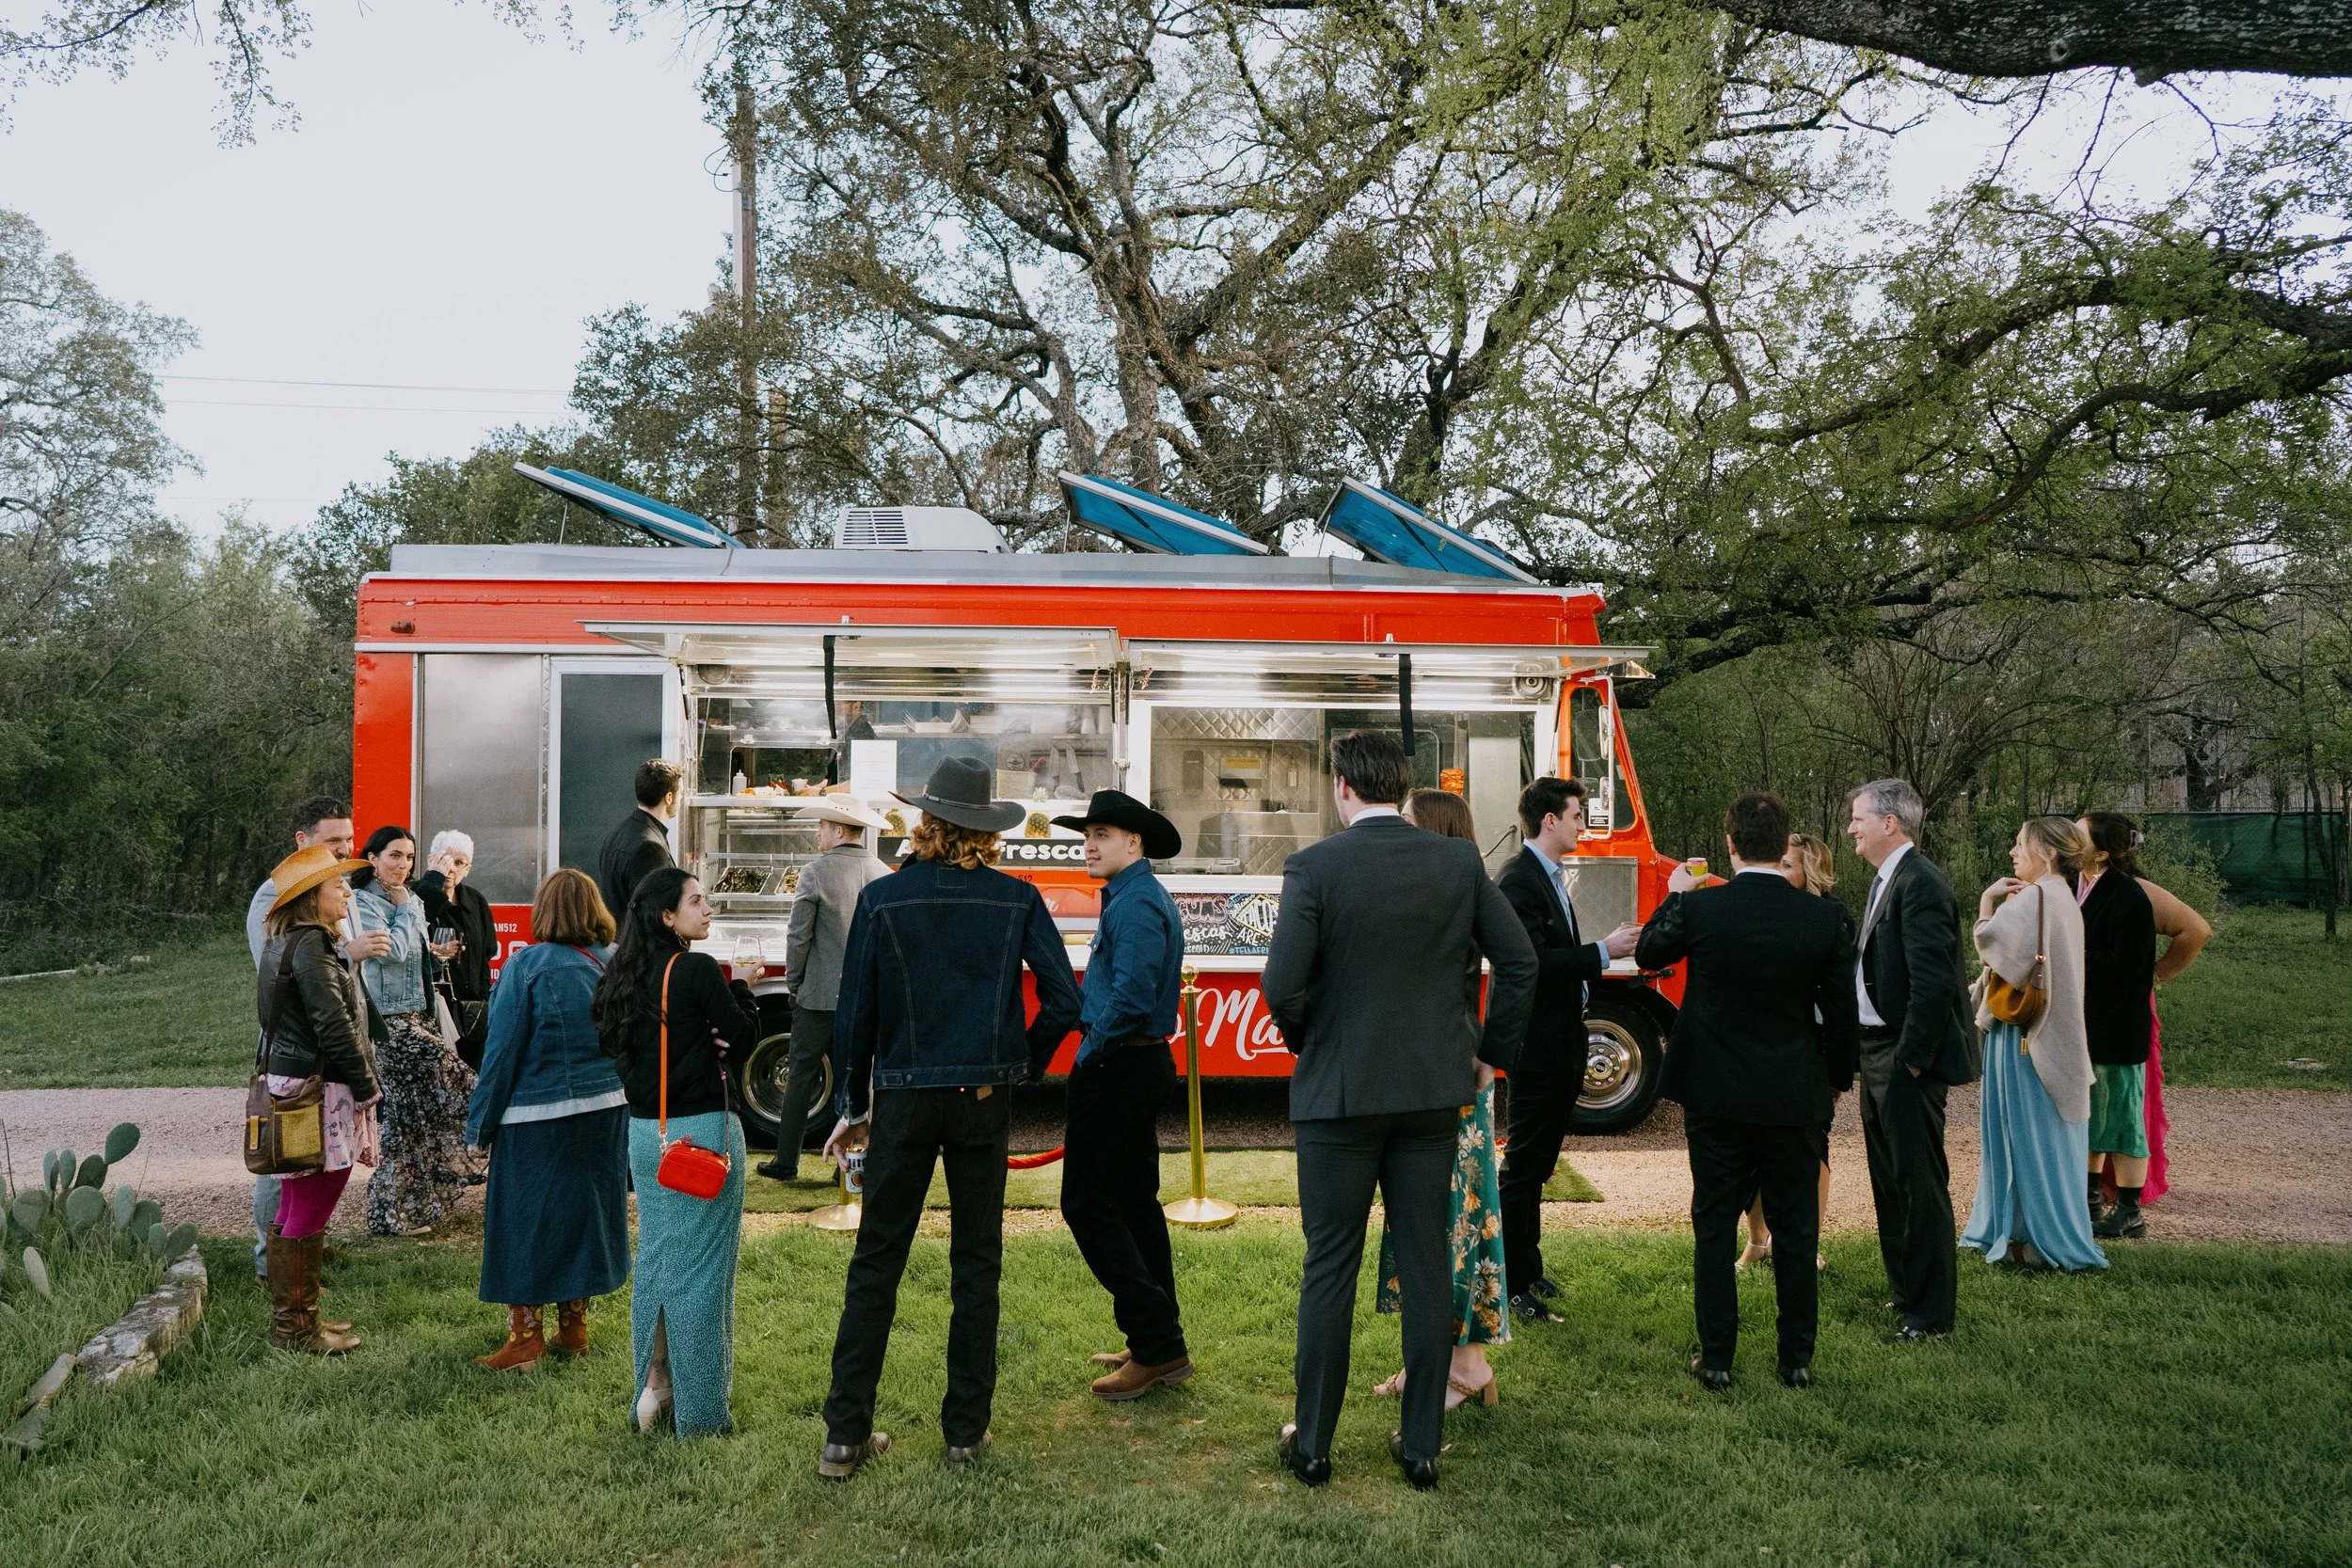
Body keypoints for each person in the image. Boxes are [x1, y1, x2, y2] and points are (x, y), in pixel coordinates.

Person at [1261, 732, 1536, 1492]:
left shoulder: (1314, 865)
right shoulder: (1454, 861)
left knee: (1329, 1266)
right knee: (1424, 1265)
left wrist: (1312, 1042)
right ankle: (1420, 1445)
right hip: (1429, 1093)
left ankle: (1312, 1442)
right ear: (1400, 784)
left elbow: (1280, 985)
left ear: (1343, 787)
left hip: (1338, 1097)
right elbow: (1519, 960)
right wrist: (1488, 1054)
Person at [814, 757, 1083, 1480]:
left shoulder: (884, 899)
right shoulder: (1017, 899)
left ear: (927, 821)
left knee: (876, 1262)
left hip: (901, 1096)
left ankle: (844, 1434)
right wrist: (1020, 1061)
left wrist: (850, 1106)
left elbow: (855, 1014)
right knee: (976, 1265)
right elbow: (1065, 1001)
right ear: (985, 828)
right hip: (983, 1099)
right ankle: (965, 1432)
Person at [1636, 791, 1860, 1391]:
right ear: (1783, 842)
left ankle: (1716, 1358)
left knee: (1713, 1219)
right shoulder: (1825, 918)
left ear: (1730, 845)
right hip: (1794, 1092)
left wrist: (1676, 894)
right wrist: (1837, 1079)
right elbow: (1840, 1014)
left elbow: (1650, 952)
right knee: (1796, 1225)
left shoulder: (1703, 910)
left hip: (1715, 1092)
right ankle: (1796, 1359)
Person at [592, 867, 763, 1436]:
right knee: (703, 1276)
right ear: (668, 917)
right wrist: (740, 987)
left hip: (646, 1135)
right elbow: (741, 1040)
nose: (707, 908)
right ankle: (703, 1416)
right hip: (702, 1135)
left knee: (660, 1267)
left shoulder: (621, 973)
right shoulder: (694, 969)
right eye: (696, 901)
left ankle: (654, 1387)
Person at [1371, 788, 1515, 1410]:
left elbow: (1519, 963)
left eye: (1406, 820)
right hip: (1420, 1076)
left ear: (1432, 828)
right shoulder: (1434, 886)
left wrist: (1491, 1052)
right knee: (1421, 1214)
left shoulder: (1461, 889)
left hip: (1453, 1077)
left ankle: (1468, 1362)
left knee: (1457, 1216)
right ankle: (1429, 1358)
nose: (1396, 830)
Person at [1049, 788, 1192, 1402]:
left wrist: (1090, 1050)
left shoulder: (1135, 904)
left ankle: (1157, 1342)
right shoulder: (1135, 896)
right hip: (1135, 1062)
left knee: (1086, 1203)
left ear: (1134, 840)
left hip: (1120, 1063)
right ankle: (1158, 1341)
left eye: (1101, 832)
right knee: (1135, 1203)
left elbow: (1130, 997)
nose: (1089, 842)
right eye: (1088, 832)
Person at [1492, 776, 1644, 1325]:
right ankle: (1510, 1283)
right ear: (1549, 820)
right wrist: (1604, 950)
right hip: (1538, 1044)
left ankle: (1527, 1269)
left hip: (1562, 1039)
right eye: (1577, 814)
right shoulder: (1519, 880)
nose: (1583, 824)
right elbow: (1531, 964)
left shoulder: (1545, 876)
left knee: (1540, 1164)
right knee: (1524, 1166)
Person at [465, 868, 629, 1371]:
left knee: (524, 1224)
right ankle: (574, 1329)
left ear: (544, 911)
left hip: (537, 1116)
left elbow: (502, 1052)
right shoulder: (616, 961)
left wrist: (480, 1126)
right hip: (608, 1110)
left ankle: (525, 1340)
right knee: (584, 1219)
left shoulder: (527, 966)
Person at [1845, 779, 1978, 1344]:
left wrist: (1913, 1062)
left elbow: (1932, 984)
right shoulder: (1888, 880)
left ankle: (1930, 1315)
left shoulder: (1919, 883)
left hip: (1902, 1054)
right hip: (1877, 1049)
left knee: (1919, 1183)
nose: (1851, 828)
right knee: (1889, 1181)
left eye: (1858, 819)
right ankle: (1906, 1293)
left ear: (1890, 823)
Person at [1959, 817, 2105, 1273]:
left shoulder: (2036, 897)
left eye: (2021, 844)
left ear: (2049, 852)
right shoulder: (2062, 897)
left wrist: (1986, 902)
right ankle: (2033, 1231)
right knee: (2040, 1137)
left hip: (2022, 1036)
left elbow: (1989, 945)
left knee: (2018, 1134)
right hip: (2047, 1032)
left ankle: (2030, 1238)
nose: (2012, 852)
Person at [255, 843, 381, 1354]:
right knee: (316, 1192)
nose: (346, 892)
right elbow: (334, 1024)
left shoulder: (287, 941)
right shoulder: (313, 946)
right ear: (311, 899)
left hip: (293, 1082)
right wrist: (367, 1084)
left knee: (295, 1196)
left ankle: (297, 1324)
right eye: (337, 886)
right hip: (316, 1085)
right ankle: (297, 1331)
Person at [244, 795, 370, 1286]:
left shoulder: (336, 892)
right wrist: (349, 952)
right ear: (303, 842)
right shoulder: (275, 897)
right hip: (300, 1052)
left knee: (313, 1165)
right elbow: (283, 974)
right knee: (287, 1159)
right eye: (333, 841)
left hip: (324, 1049)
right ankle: (271, 1262)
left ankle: (299, 1250)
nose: (343, 850)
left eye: (348, 840)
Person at [756, 795, 890, 1181]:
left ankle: (786, 1161)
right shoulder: (883, 872)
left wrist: (795, 982)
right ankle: (851, 1163)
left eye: (822, 826)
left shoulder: (814, 873)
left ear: (839, 830)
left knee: (801, 1076)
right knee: (861, 1080)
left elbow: (799, 937)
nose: (817, 832)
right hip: (866, 998)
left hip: (818, 995)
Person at [353, 826, 477, 1238]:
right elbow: (391, 954)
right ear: (372, 858)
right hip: (389, 1022)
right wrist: (408, 907)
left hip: (419, 1014)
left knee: (410, 1119)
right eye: (394, 856)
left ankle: (399, 1211)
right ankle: (495, 1131)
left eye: (408, 857)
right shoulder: (363, 902)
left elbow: (416, 953)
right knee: (466, 1084)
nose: (402, 865)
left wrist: (435, 952)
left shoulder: (408, 900)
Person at [1737, 832, 1848, 1274]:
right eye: (1776, 863)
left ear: (1810, 873)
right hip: (1753, 1049)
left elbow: (1842, 997)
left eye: (1787, 865)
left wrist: (1841, 1069)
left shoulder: (1831, 916)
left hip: (1809, 1049)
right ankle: (1758, 1241)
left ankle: (1803, 1244)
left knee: (1811, 1150)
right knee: (1751, 1153)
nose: (1778, 872)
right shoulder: (1752, 910)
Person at [2075, 812, 2161, 1239]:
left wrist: (2070, 961)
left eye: (2079, 833)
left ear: (2103, 852)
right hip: (2086, 1024)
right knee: (2090, 1113)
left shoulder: (2129, 896)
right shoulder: (2076, 887)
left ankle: (2129, 1211)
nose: (2069, 837)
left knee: (2124, 1116)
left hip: (2117, 1026)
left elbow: (2128, 964)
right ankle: (2089, 1201)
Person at [2138, 874, 2213, 1206]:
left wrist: (2158, 972)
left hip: (2122, 1006)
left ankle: (2126, 1183)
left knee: (2127, 1091)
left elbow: (2196, 930)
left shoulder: (2135, 889)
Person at [416, 830, 495, 1069]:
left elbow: (487, 953)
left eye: (458, 863)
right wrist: (434, 951)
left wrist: (484, 1001)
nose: (450, 869)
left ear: (467, 869)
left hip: (472, 1012)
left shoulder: (475, 900)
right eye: (445, 860)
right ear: (431, 861)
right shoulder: (416, 895)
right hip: (434, 1010)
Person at [598, 759, 683, 923]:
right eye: (681, 793)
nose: (681, 799)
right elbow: (655, 911)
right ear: (669, 797)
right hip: (638, 946)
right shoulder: (650, 848)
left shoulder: (617, 833)